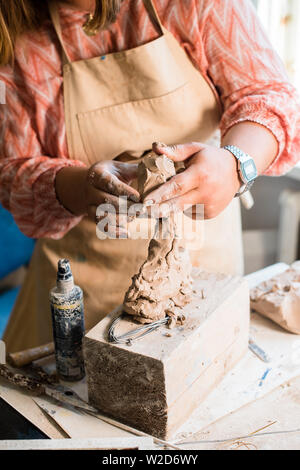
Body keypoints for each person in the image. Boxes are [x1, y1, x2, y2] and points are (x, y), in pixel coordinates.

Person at [0, 0, 299, 352]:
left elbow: (268, 95)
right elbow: (10, 172)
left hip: (199, 270)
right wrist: (81, 188)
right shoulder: (15, 39)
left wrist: (234, 163)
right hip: (76, 294)